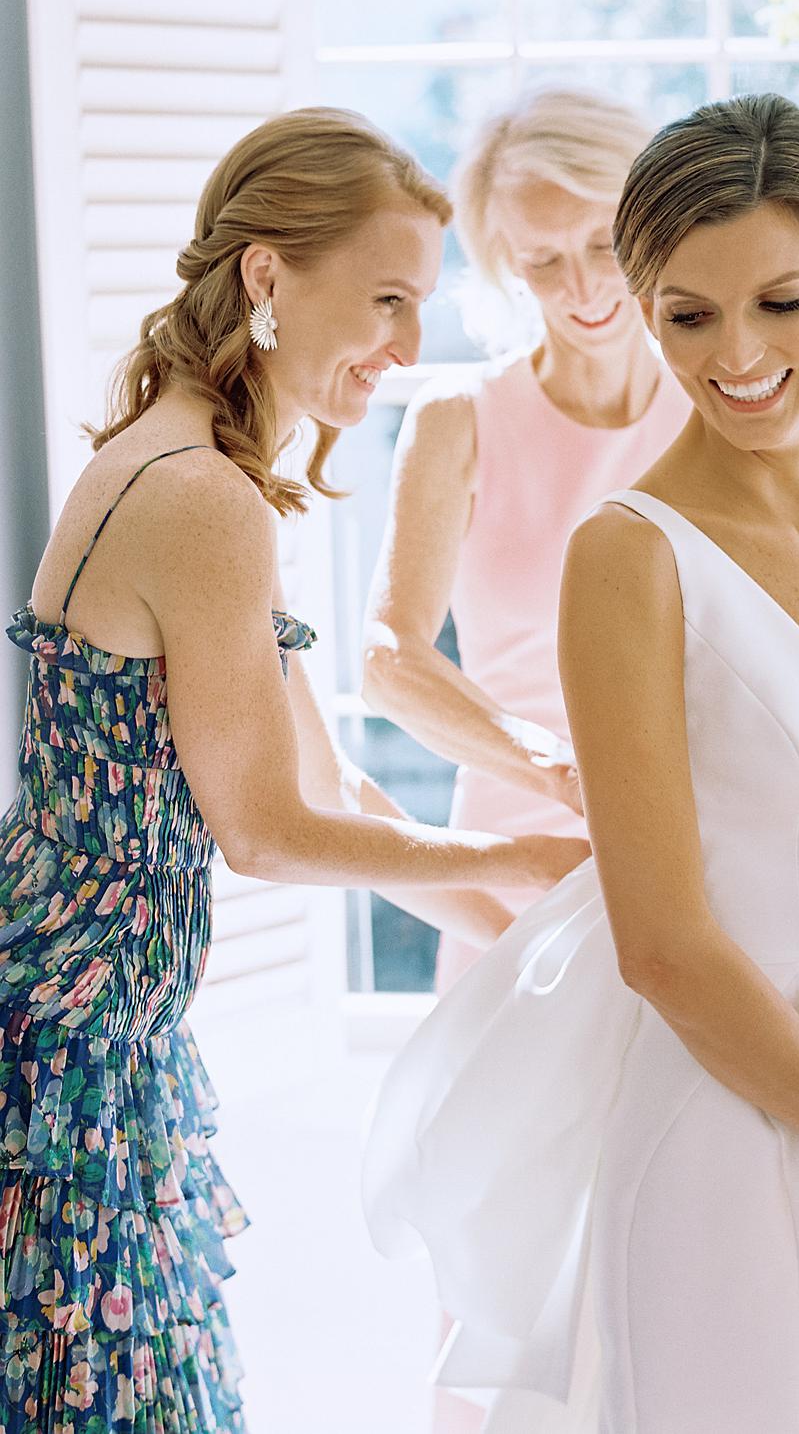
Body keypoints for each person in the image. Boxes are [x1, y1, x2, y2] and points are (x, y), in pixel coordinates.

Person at [364, 94, 799, 1432]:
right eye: (690, 316)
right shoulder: (629, 557)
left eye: (782, 303)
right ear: (649, 306)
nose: (739, 356)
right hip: (739, 1115)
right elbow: (661, 944)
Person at [0, 107, 586, 1434]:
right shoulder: (198, 496)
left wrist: (536, 943)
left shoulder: (194, 455)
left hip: (96, 1026)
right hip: (63, 1046)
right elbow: (264, 832)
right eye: (386, 299)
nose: (405, 348)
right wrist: (506, 850)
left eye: (420, 306)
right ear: (267, 276)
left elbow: (338, 797)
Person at [360, 88, 689, 1001]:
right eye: (543, 261)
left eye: (600, 245)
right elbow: (389, 661)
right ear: (505, 264)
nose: (581, 289)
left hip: (695, 855)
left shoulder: (714, 411)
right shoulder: (459, 419)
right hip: (517, 852)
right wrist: (560, 769)